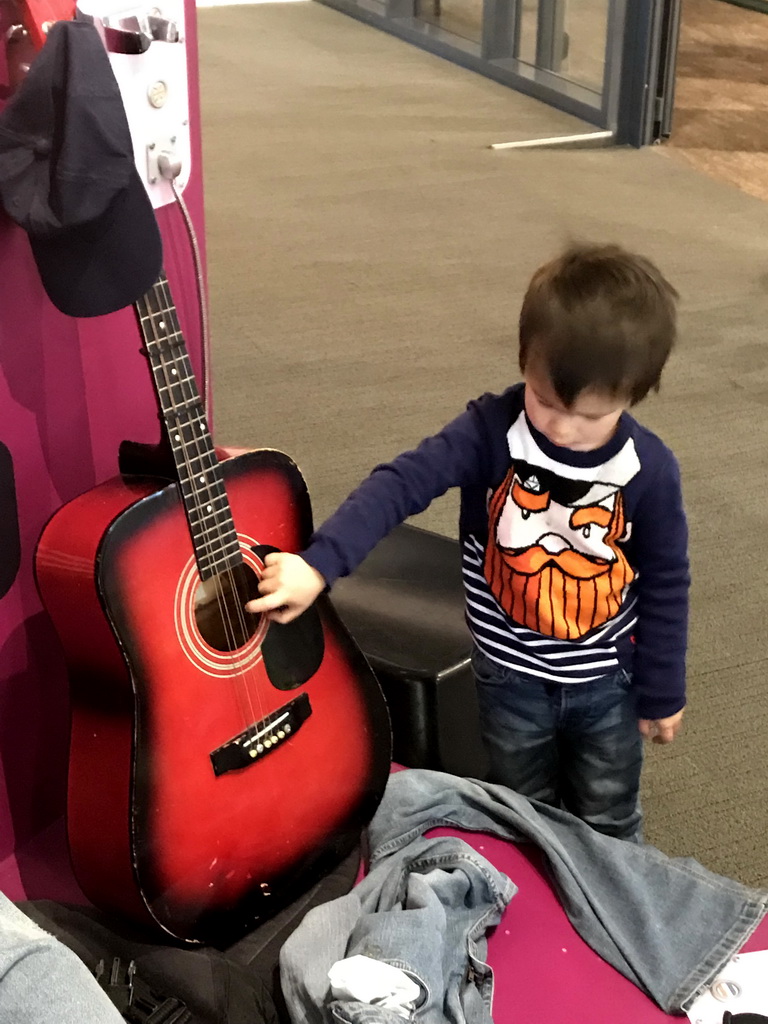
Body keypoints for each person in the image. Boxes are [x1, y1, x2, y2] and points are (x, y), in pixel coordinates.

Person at [246, 242, 689, 843]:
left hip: (606, 681)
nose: (559, 429)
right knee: (521, 811)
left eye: (588, 418)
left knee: (609, 816)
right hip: (508, 676)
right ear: (523, 360)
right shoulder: (489, 431)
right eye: (544, 401)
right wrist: (318, 565)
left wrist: (661, 688)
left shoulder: (648, 470)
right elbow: (398, 485)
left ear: (635, 393)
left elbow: (666, 582)